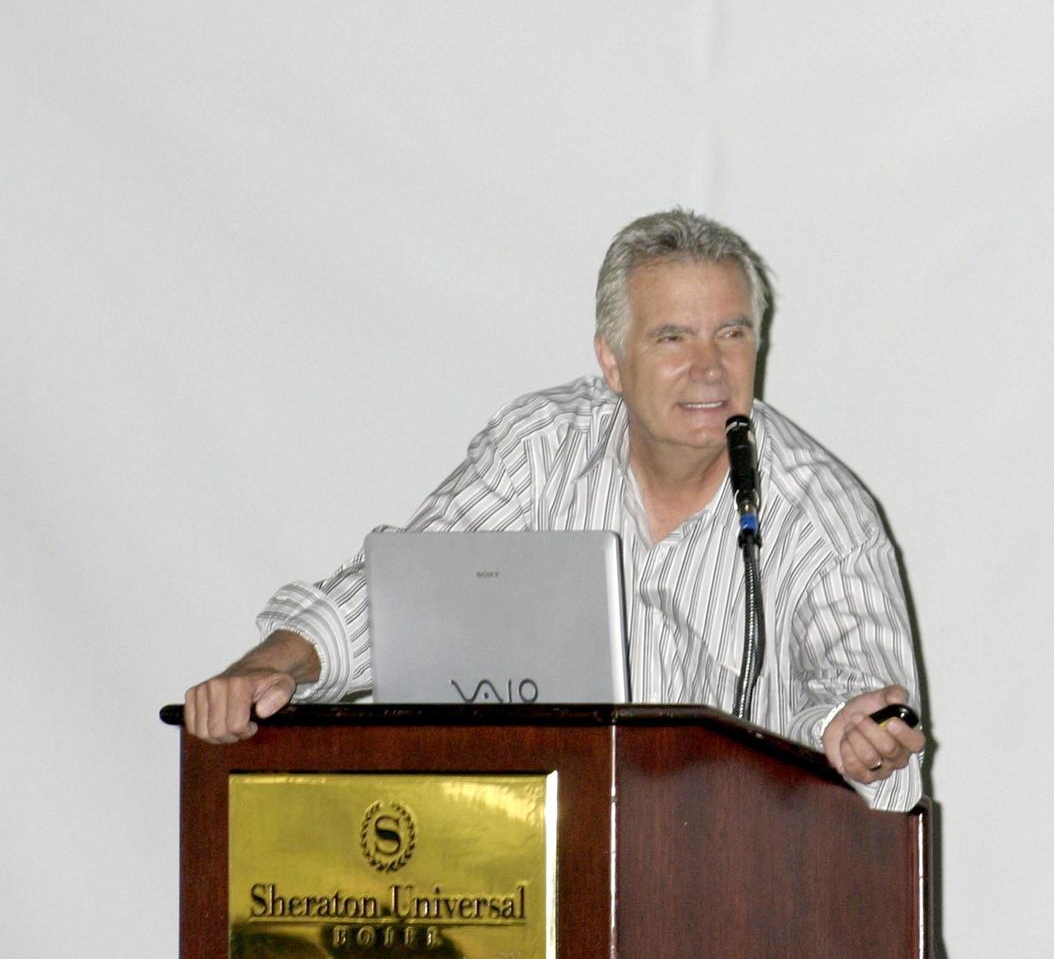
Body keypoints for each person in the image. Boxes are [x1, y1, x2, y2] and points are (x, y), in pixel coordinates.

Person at [185, 209, 926, 811]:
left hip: (745, 889)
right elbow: (409, 597)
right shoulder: (542, 449)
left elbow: (861, 702)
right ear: (611, 358)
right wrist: (267, 668)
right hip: (552, 872)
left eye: (730, 334)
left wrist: (849, 731)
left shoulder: (822, 508)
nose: (709, 367)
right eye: (673, 337)